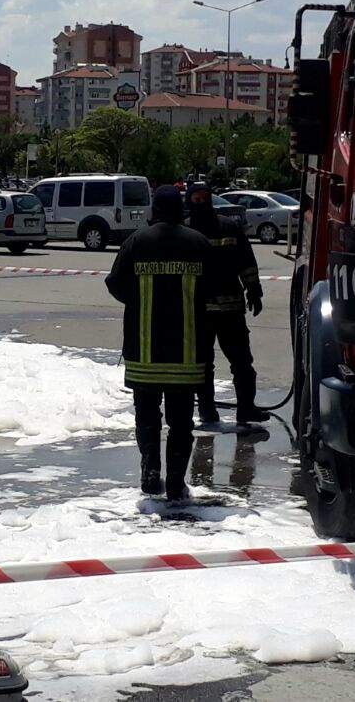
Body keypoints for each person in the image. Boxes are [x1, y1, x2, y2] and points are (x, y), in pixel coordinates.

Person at [104, 185, 213, 503]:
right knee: (181, 421)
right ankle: (177, 484)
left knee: (146, 415)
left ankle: (150, 474)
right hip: (186, 352)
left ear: (154, 209)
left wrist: (137, 303)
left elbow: (114, 282)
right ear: (181, 210)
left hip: (144, 352)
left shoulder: (136, 241)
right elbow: (215, 286)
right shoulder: (198, 243)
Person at [184, 182, 267, 430]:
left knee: (241, 362)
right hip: (199, 312)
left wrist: (254, 290)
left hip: (230, 311)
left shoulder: (229, 227)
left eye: (204, 198)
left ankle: (246, 409)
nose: (200, 203)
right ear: (190, 201)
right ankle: (207, 412)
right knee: (203, 365)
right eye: (196, 199)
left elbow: (246, 261)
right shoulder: (185, 231)